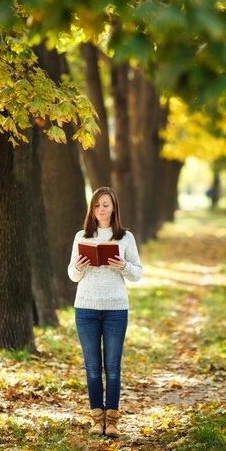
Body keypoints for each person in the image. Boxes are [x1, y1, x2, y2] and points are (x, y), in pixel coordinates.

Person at [68, 186, 143, 438]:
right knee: (91, 367)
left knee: (112, 367)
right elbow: (72, 275)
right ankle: (96, 418)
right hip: (86, 308)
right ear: (92, 208)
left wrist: (124, 266)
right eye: (97, 205)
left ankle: (112, 420)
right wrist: (78, 266)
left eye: (106, 205)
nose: (101, 209)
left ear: (114, 208)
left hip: (115, 309)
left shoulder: (125, 238)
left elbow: (138, 273)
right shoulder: (82, 236)